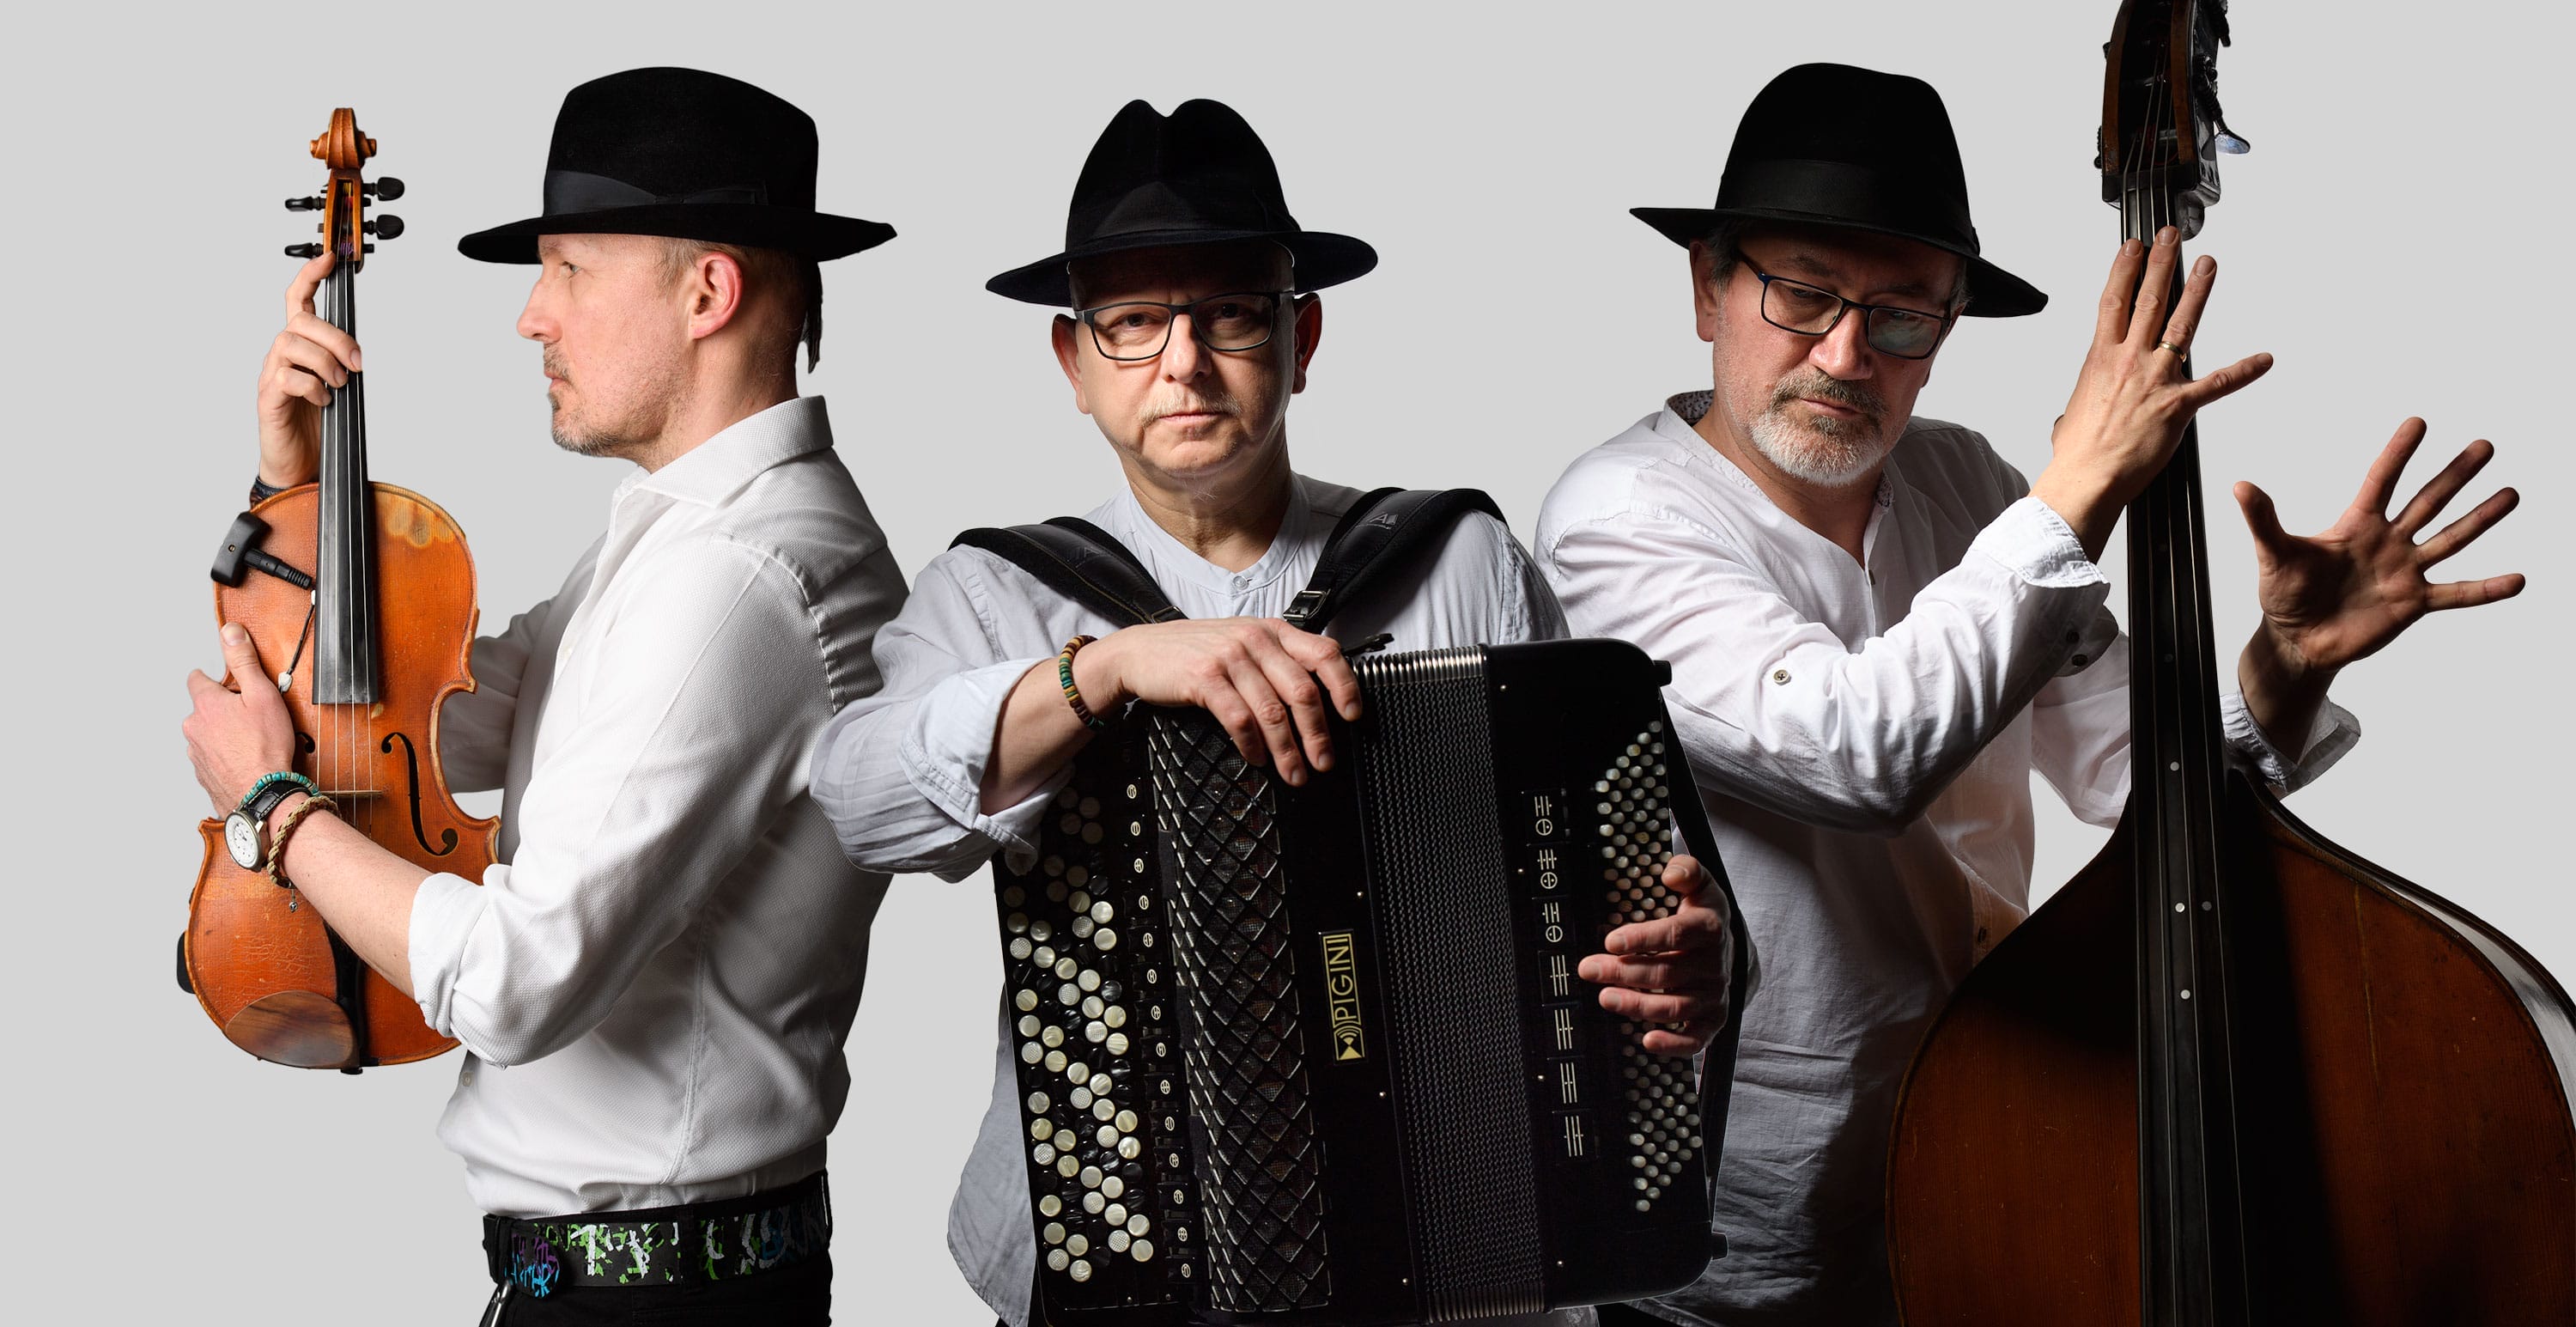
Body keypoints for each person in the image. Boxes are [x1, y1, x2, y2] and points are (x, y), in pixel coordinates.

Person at [1536, 63, 2523, 1327]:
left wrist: (2285, 667)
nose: (1847, 353)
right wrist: (2077, 491)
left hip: (1990, 1162)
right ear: (1707, 289)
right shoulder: (1617, 519)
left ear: (1944, 335)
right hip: (1742, 1243)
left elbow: (2137, 783)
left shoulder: (1967, 483)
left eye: (1902, 314)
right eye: (1802, 295)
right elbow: (1857, 755)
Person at [807, 99, 1734, 1327]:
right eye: (1132, 322)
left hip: (1457, 1274)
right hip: (1122, 1270)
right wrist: (1111, 669)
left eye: (1228, 312)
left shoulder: (1461, 561)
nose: (1181, 361)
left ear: (1299, 337)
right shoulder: (1001, 593)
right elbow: (859, 801)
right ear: (1073, 364)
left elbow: (1604, 891)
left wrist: (1684, 964)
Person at [178, 67, 909, 1324]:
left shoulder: (735, 580)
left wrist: (276, 810)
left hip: (660, 1296)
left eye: (570, 268)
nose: (532, 316)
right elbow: (426, 721)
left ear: (708, 291)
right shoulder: (685, 534)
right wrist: (289, 500)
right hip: (629, 1281)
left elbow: (517, 983)